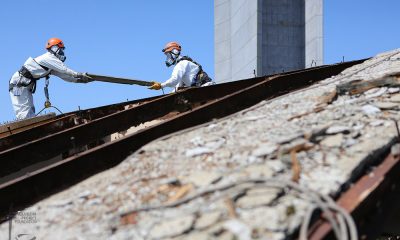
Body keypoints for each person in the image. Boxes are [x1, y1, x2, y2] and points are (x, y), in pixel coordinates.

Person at [8, 38, 92, 119]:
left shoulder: (50, 64)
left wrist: (79, 80)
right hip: (18, 85)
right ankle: (26, 129)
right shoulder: (49, 57)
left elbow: (64, 75)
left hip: (24, 85)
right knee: (23, 110)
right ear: (55, 48)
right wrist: (79, 74)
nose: (62, 52)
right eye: (60, 49)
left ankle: (31, 126)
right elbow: (64, 69)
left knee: (29, 109)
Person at [149, 41, 214, 91]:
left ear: (175, 52)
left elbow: (175, 80)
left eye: (168, 55)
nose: (168, 58)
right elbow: (177, 87)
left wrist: (161, 85)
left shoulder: (181, 64)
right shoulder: (185, 63)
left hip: (206, 89)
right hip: (206, 88)